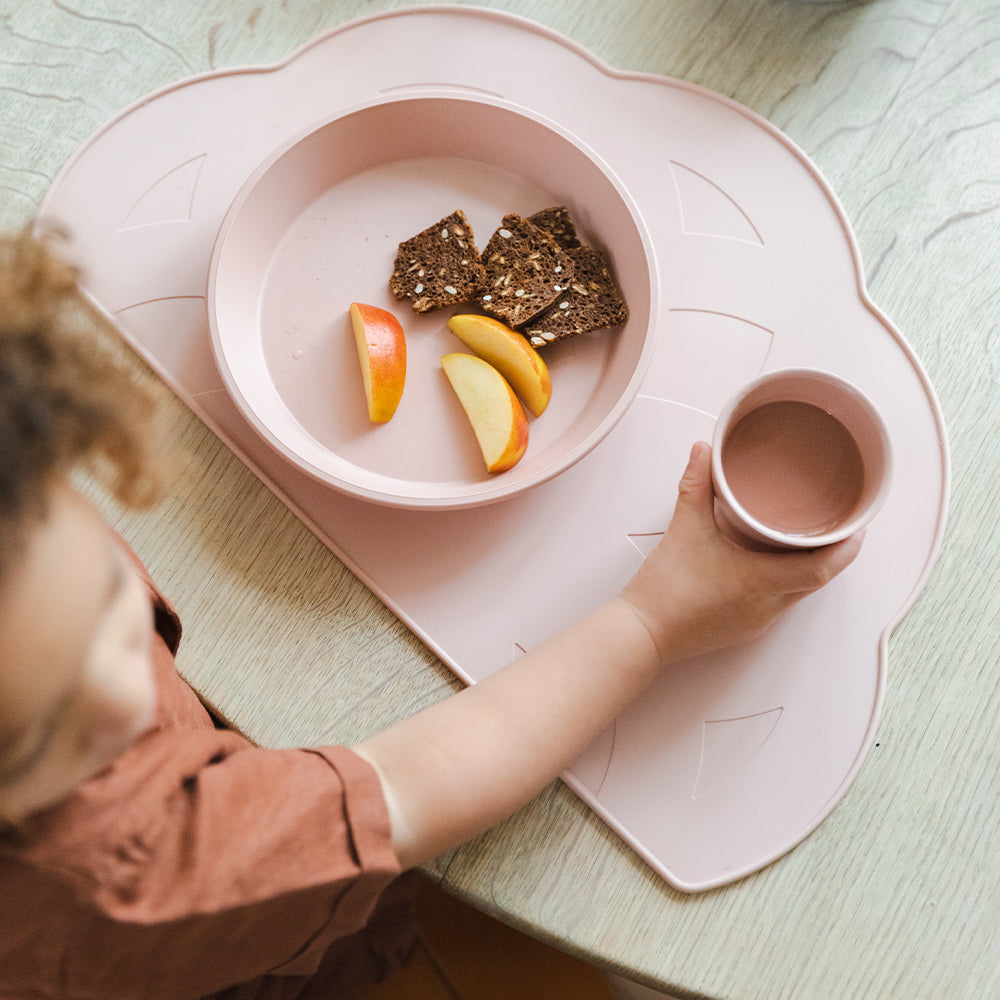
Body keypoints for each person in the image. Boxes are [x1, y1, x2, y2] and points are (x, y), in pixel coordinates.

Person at [0, 230, 863, 999]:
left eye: (111, 606)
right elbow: (417, 783)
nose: (123, 696)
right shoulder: (135, 877)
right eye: (38, 737)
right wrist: (656, 621)